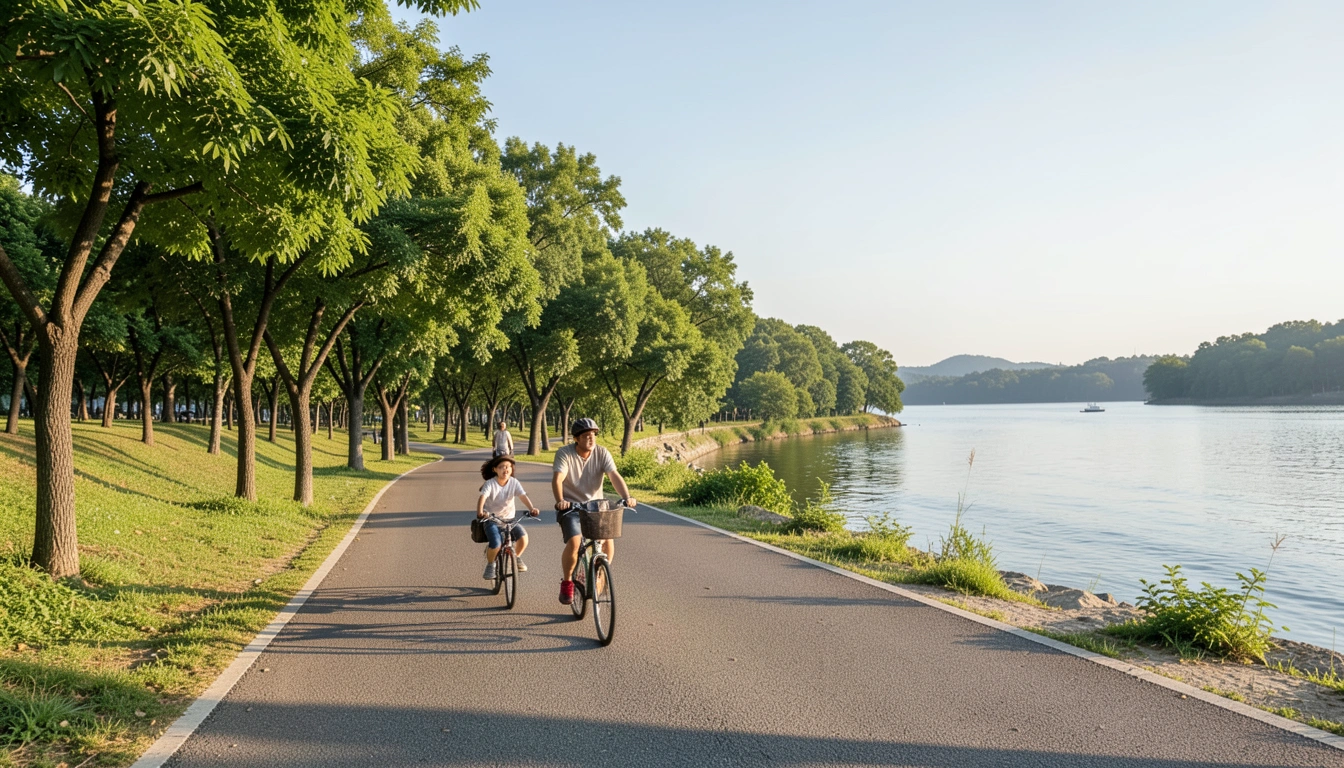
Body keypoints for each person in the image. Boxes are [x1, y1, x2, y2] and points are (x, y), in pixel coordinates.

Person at [551, 418, 636, 605]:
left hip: (596, 507)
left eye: (593, 435)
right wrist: (561, 501)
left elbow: (614, 476)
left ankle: (600, 573)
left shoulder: (602, 452)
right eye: (586, 436)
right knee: (575, 543)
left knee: (608, 540)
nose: (591, 439)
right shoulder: (565, 454)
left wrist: (627, 497)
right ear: (576, 438)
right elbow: (558, 479)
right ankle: (567, 582)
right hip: (571, 507)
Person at [476, 454, 540, 580]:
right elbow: (482, 497)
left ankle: (516, 557)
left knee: (523, 538)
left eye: (508, 467)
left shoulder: (514, 482)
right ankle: (491, 564)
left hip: (510, 520)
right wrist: (480, 512)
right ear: (495, 469)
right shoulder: (490, 484)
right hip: (492, 520)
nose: (506, 469)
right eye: (502, 467)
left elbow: (522, 496)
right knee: (496, 544)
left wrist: (532, 508)